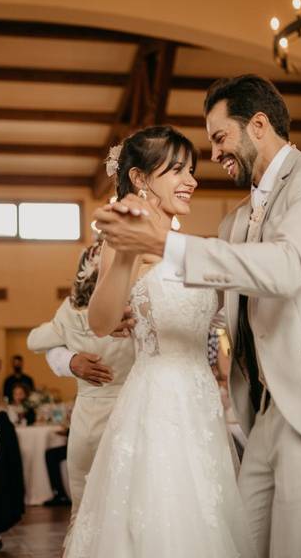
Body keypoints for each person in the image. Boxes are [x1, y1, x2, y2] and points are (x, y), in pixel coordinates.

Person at [94, 76, 301, 557]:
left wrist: (163, 245)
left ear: (257, 125)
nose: (214, 156)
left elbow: (287, 266)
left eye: (219, 138)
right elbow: (219, 297)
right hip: (262, 415)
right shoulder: (235, 220)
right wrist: (139, 303)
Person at [65, 125, 255, 557]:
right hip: (158, 403)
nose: (191, 180)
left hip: (202, 400)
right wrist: (128, 256)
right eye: (177, 171)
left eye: (191, 170)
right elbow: (100, 320)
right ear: (140, 178)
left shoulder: (187, 244)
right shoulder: (125, 238)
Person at [27, 237, 135, 518]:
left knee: (83, 507)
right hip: (130, 414)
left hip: (87, 419)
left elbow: (34, 340)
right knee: (125, 502)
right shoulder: (131, 311)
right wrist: (69, 361)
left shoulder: (70, 314)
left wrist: (69, 343)